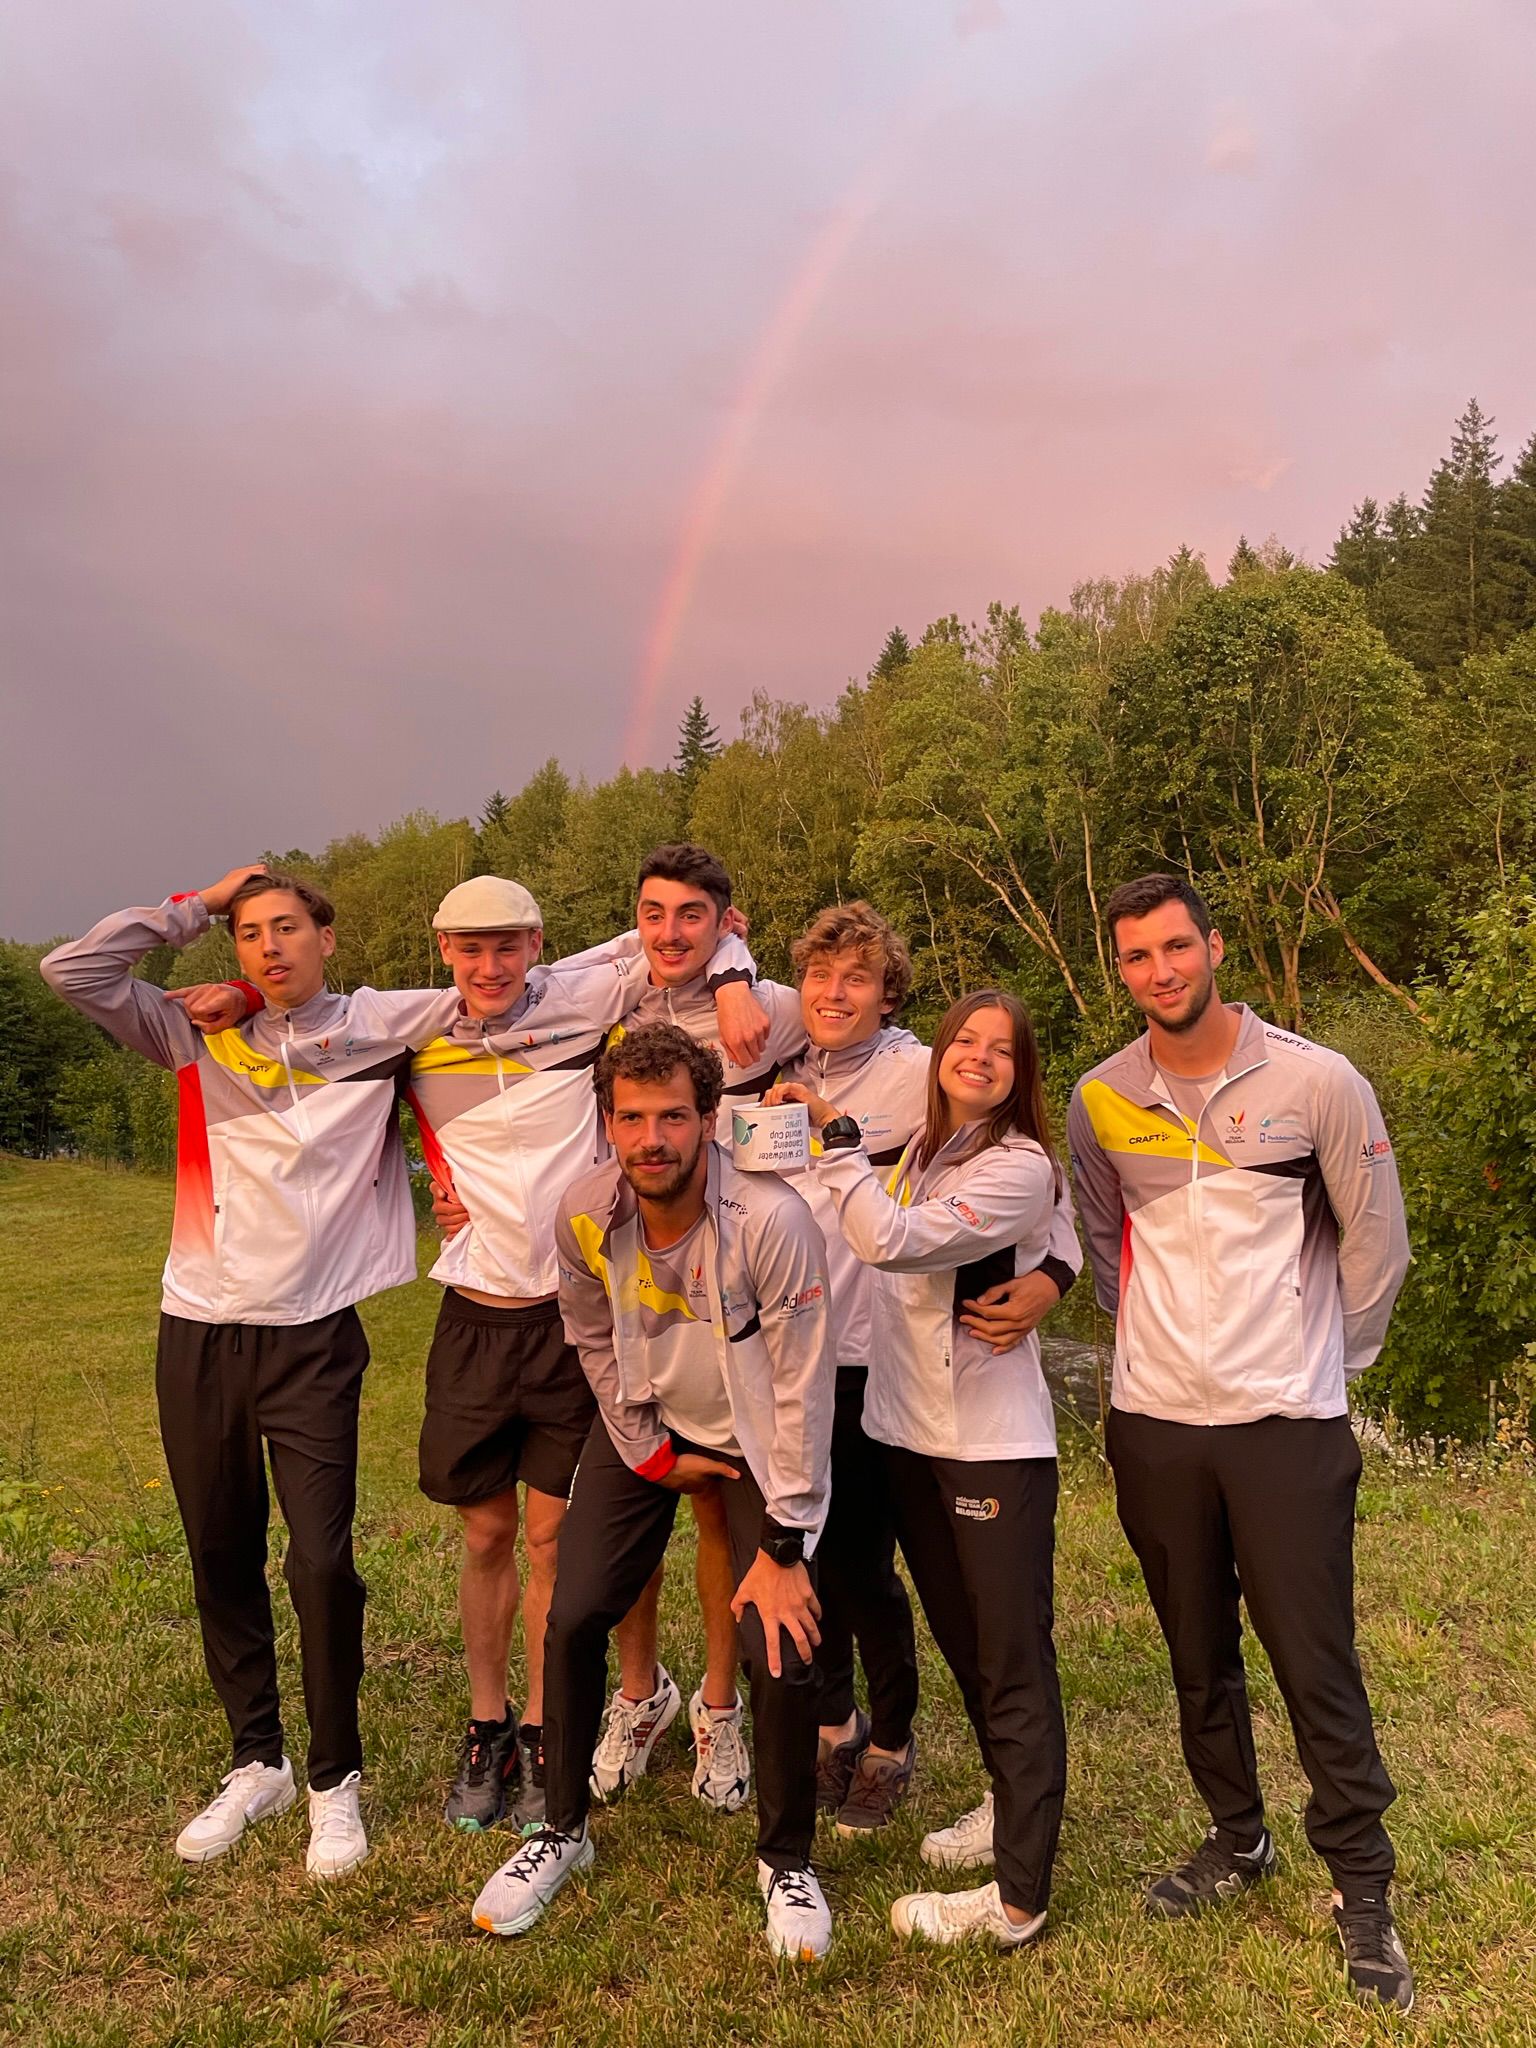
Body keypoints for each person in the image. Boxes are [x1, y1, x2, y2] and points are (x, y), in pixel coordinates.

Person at [178, 874, 763, 1835]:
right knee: (487, 1536)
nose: (489, 967)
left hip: (574, 1320)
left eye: (508, 947)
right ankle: (486, 1726)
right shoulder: (408, 1026)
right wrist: (245, 991)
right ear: (441, 950)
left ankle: (541, 1731)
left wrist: (735, 968)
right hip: (473, 1318)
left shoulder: (587, 1001)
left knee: (549, 1542)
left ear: (537, 945)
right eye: (468, 949)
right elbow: (303, 1008)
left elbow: (680, 942)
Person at [38, 866, 474, 1876]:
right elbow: (74, 968)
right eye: (247, 932)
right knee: (219, 1551)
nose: (268, 946)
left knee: (320, 1560)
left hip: (314, 1335)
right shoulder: (194, 1030)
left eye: (286, 926)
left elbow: (506, 995)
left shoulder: (381, 1026)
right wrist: (196, 901)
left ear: (327, 935)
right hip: (196, 1327)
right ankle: (257, 1761)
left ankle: (334, 1781)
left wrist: (704, 965)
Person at [1066, 872, 1414, 2012]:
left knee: (1314, 1657)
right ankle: (1237, 1834)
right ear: (1119, 969)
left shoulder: (1319, 1080)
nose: (1159, 972)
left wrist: (1322, 1368)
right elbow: (1110, 1248)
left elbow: (1378, 1249)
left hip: (1286, 1425)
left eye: (1175, 947)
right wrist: (1154, 1359)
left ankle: (1362, 1883)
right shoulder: (1100, 1096)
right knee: (1195, 1648)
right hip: (1157, 1423)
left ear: (1214, 946)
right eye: (1135, 957)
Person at [470, 1024, 836, 1960]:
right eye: (630, 1118)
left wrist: (787, 1549)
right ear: (607, 1122)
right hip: (651, 1425)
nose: (651, 1138)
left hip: (760, 1445)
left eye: (673, 1115)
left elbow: (802, 1389)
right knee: (574, 1610)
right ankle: (559, 1831)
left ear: (709, 1119)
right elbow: (590, 1335)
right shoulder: (584, 1210)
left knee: (781, 1638)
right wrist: (648, 1452)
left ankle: (786, 1860)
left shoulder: (771, 1219)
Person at [765, 903, 1080, 1844]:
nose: (834, 993)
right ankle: (835, 1723)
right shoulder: (773, 1068)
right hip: (792, 1357)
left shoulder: (925, 1077)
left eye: (857, 978)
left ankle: (892, 1740)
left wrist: (1052, 1281)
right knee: (804, 1557)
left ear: (891, 996)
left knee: (868, 1568)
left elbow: (1037, 1198)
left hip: (880, 1359)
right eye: (820, 976)